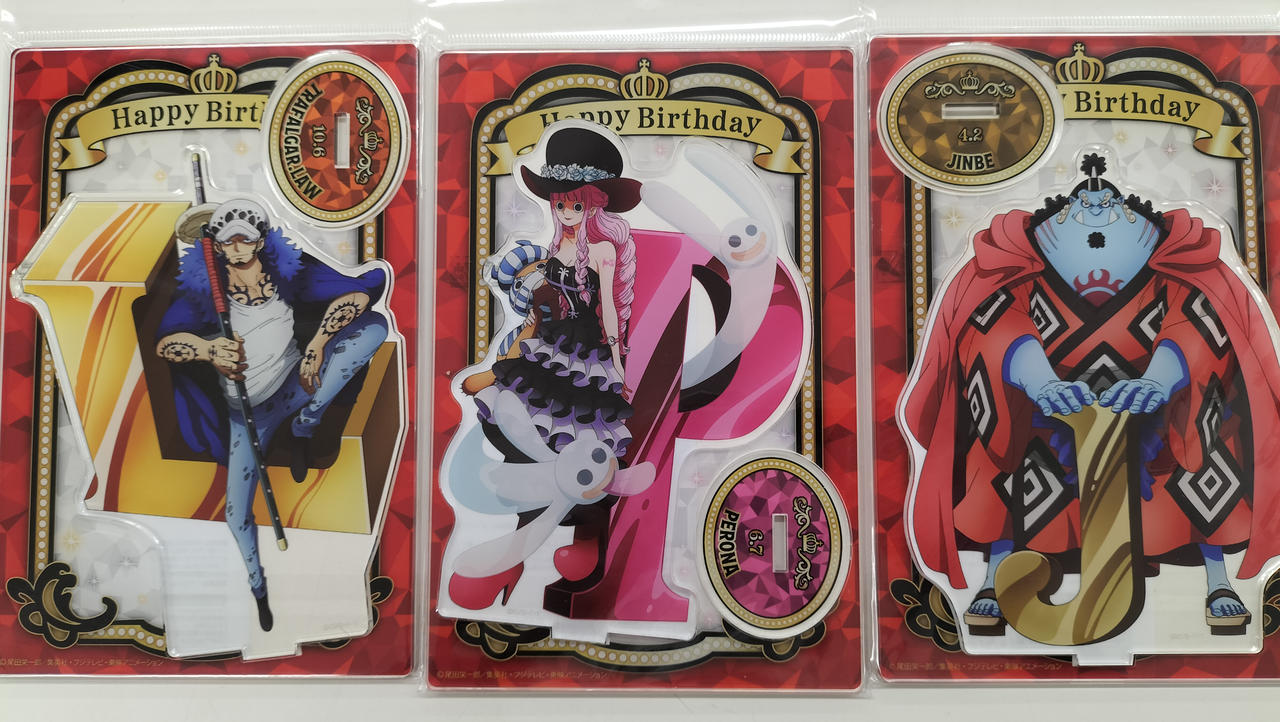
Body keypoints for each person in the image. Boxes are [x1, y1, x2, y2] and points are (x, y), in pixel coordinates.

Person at [901, 155, 1280, 637]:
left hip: (1163, 422)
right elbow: (994, 328)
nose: (1095, 211)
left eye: (1113, 208)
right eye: (1077, 209)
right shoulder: (1013, 269)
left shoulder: (1181, 267)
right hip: (1042, 421)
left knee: (1207, 437)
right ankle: (995, 578)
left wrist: (1159, 381)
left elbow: (1198, 327)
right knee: (996, 449)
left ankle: (1218, 579)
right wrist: (1039, 382)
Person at [155, 198, 388, 631]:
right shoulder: (204, 289)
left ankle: (306, 424)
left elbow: (359, 293)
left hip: (298, 385)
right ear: (217, 246)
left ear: (261, 241)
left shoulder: (290, 271)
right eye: (228, 241)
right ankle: (258, 588)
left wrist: (318, 343)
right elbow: (166, 343)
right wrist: (207, 349)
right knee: (235, 513)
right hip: (247, 415)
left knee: (375, 328)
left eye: (245, 239)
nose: (238, 248)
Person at [452, 126, 641, 608]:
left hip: (587, 356)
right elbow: (540, 308)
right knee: (523, 431)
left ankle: (587, 540)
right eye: (560, 204)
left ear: (594, 205)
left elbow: (609, 310)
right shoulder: (556, 248)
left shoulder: (602, 250)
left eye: (575, 204)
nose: (566, 212)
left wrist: (618, 361)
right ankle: (517, 546)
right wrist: (523, 338)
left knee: (583, 446)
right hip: (549, 345)